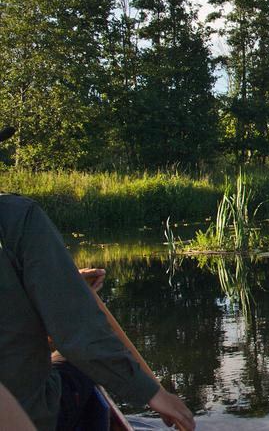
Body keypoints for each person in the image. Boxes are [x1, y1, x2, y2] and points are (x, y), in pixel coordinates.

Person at [1, 126, 195, 431]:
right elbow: (79, 335)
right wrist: (153, 393)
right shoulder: (15, 217)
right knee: (80, 369)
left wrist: (62, 281)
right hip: (25, 414)